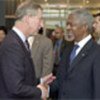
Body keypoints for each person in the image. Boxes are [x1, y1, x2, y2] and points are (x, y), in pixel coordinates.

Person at [0, 1, 49, 99]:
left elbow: (19, 77)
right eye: (40, 19)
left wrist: (40, 81)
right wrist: (40, 92)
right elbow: (15, 88)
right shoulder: (12, 45)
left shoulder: (19, 41)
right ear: (28, 19)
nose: (42, 25)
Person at [49, 8, 100, 99]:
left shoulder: (97, 52)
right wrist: (43, 89)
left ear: (84, 27)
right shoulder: (68, 49)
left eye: (71, 25)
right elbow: (60, 80)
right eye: (67, 24)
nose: (67, 28)